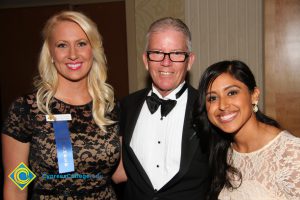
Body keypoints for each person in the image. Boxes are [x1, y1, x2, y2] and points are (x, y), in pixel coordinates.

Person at [2, 11, 121, 199]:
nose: (73, 54)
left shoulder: (109, 107)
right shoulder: (27, 109)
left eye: (81, 44)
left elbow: (119, 173)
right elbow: (17, 185)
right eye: (62, 45)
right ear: (50, 53)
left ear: (94, 50)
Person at [119, 17, 211, 200]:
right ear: (146, 60)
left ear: (189, 61)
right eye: (157, 53)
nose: (166, 62)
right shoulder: (126, 106)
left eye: (176, 53)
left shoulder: (208, 107)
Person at [194, 60, 300, 200]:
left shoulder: (291, 153)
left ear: (254, 95)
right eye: (212, 98)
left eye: (232, 93)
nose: (223, 105)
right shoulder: (222, 152)